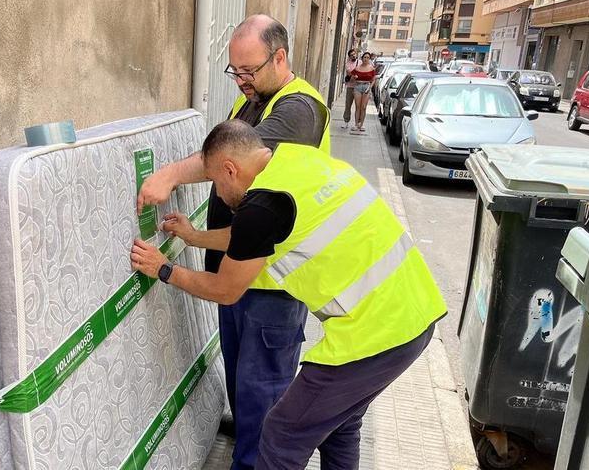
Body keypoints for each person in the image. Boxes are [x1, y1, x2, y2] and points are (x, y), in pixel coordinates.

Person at [130, 120, 447, 470]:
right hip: (417, 314)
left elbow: (226, 289)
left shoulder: (262, 207)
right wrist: (195, 237)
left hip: (374, 337)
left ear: (231, 170)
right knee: (341, 426)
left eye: (217, 184)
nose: (219, 195)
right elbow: (255, 238)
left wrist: (164, 269)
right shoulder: (299, 162)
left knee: (281, 433)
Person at [137, 14, 330, 470]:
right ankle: (247, 446)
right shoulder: (249, 102)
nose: (241, 80)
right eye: (234, 71)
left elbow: (231, 160)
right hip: (238, 269)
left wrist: (168, 175)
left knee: (264, 397)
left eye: (249, 71)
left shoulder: (299, 109)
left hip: (270, 287)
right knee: (244, 387)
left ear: (279, 57)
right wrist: (194, 234)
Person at [349, 52, 375, 132]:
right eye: (364, 57)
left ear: (369, 59)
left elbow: (374, 80)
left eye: (367, 57)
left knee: (363, 107)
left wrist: (370, 87)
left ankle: (361, 125)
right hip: (358, 86)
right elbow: (351, 80)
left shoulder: (371, 68)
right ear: (362, 58)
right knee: (358, 106)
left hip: (366, 87)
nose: (366, 59)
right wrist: (354, 77)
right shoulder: (357, 68)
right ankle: (356, 124)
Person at [342, 49, 358, 130]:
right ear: (349, 56)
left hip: (358, 87)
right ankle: (346, 121)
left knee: (359, 106)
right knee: (348, 105)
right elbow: (349, 73)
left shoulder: (360, 62)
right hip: (350, 87)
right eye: (352, 55)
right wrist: (356, 74)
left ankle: (358, 124)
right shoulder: (347, 63)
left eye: (354, 54)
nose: (354, 56)